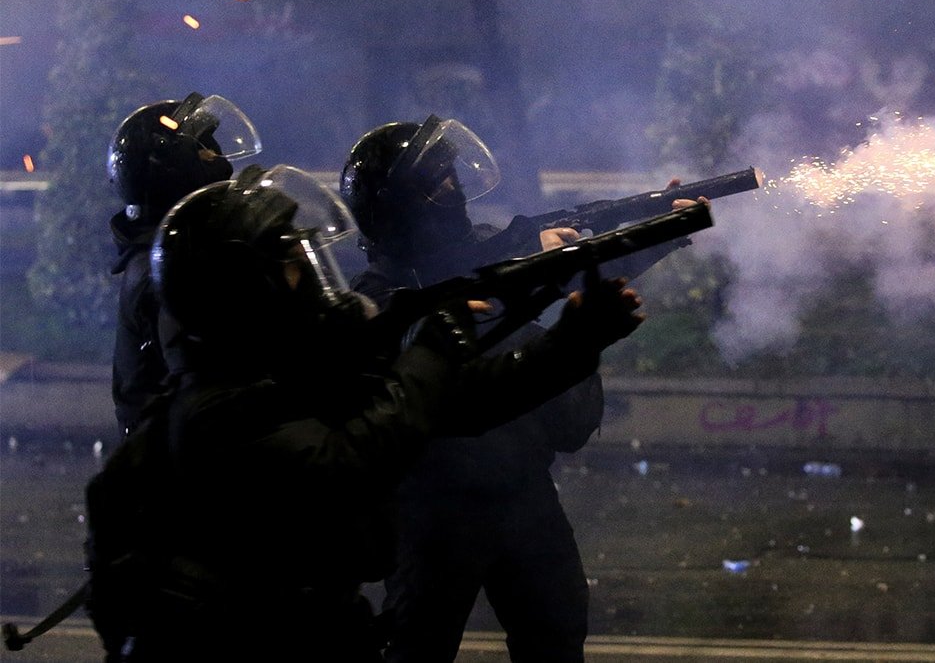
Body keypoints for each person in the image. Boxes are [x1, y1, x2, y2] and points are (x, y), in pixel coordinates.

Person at [85, 164, 646, 662]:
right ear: (243, 288)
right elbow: (353, 457)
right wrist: (430, 352)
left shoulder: (292, 377)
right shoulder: (218, 412)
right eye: (293, 266)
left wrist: (573, 343)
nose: (311, 281)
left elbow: (462, 402)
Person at [341, 116, 704, 662]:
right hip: (433, 507)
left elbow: (577, 272)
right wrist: (522, 257)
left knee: (557, 631)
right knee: (418, 644)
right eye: (437, 182)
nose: (453, 188)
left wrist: (659, 232)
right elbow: (427, 329)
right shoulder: (380, 295)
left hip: (522, 486)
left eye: (451, 175)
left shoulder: (488, 250)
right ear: (401, 205)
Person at [106, 92, 261, 437]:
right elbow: (209, 378)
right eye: (205, 154)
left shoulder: (174, 254)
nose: (219, 162)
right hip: (174, 459)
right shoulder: (163, 273)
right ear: (174, 173)